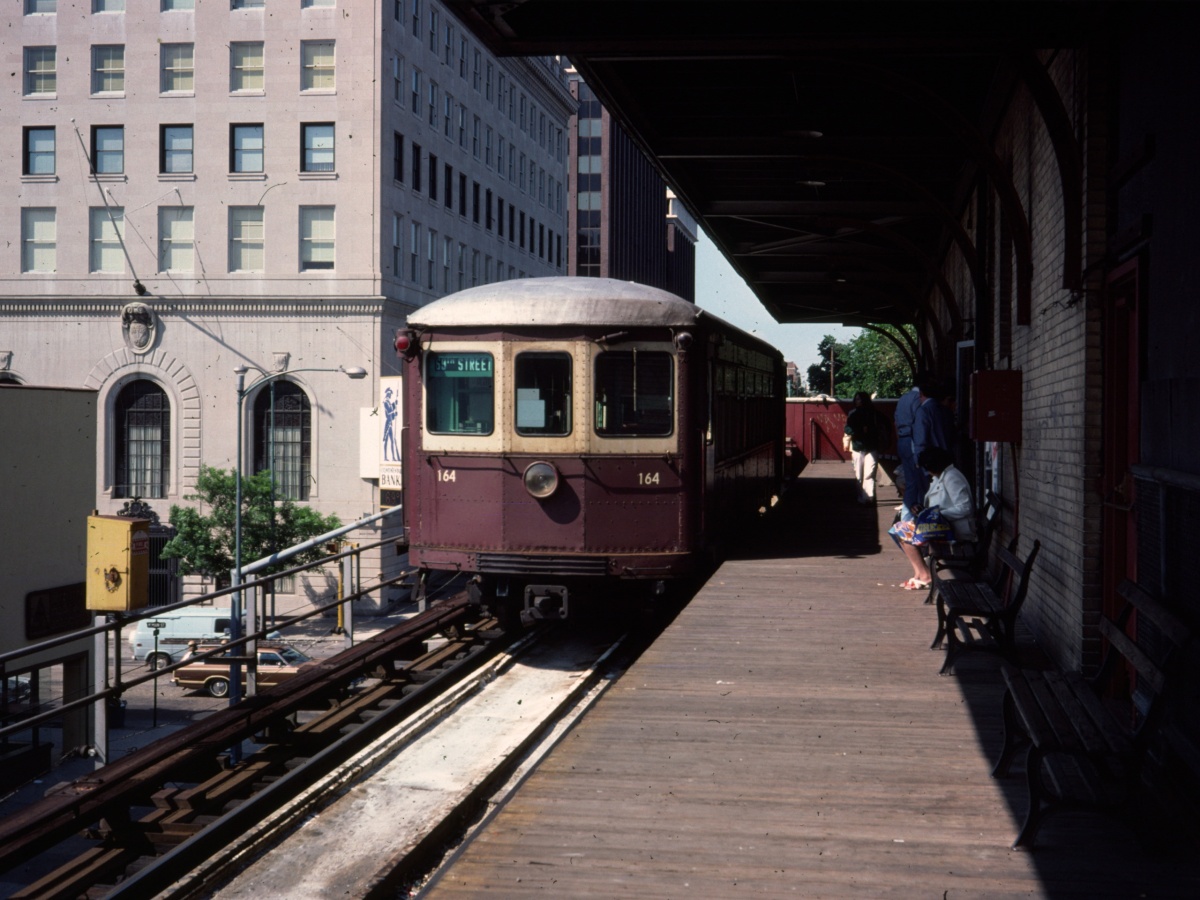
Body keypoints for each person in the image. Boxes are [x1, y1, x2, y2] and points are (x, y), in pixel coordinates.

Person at [890, 445, 977, 590]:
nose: (926, 471)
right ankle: (919, 573)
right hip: (945, 526)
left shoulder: (952, 478)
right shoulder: (941, 476)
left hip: (956, 529)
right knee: (900, 529)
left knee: (903, 532)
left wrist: (937, 515)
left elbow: (965, 508)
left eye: (927, 467)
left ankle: (924, 575)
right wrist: (921, 510)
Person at [844, 391, 890, 505]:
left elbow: (847, 429)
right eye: (857, 399)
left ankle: (867, 498)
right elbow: (847, 429)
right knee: (859, 474)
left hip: (867, 446)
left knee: (868, 473)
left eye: (860, 399)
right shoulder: (856, 414)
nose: (858, 401)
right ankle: (863, 497)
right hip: (861, 447)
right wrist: (860, 430)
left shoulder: (870, 413)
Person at [893, 373, 924, 514]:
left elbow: (895, 421)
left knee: (910, 480)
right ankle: (914, 517)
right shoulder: (918, 399)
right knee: (920, 482)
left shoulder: (903, 398)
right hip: (913, 440)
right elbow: (918, 423)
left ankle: (906, 516)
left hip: (902, 440)